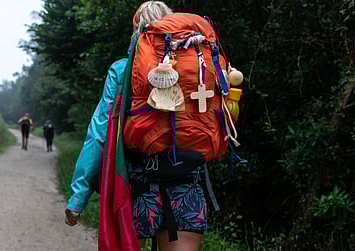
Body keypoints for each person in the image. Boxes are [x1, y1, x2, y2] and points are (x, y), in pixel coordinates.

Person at [66, 1, 237, 251]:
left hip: (138, 191)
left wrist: (78, 197)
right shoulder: (198, 65)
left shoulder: (122, 71)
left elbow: (99, 135)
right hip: (186, 186)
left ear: (138, 32)